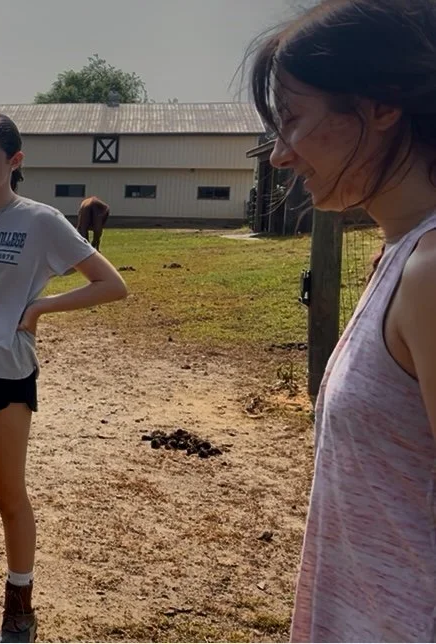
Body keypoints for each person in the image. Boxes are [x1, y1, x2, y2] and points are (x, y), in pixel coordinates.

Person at [245, 0, 436, 640]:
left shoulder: (431, 274)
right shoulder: (401, 254)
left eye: (293, 119)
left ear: (382, 104)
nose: (279, 155)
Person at [0, 113, 128, 642]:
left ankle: (19, 605)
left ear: (15, 161)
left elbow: (111, 284)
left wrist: (39, 309)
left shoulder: (42, 221)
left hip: (4, 372)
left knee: (9, 494)